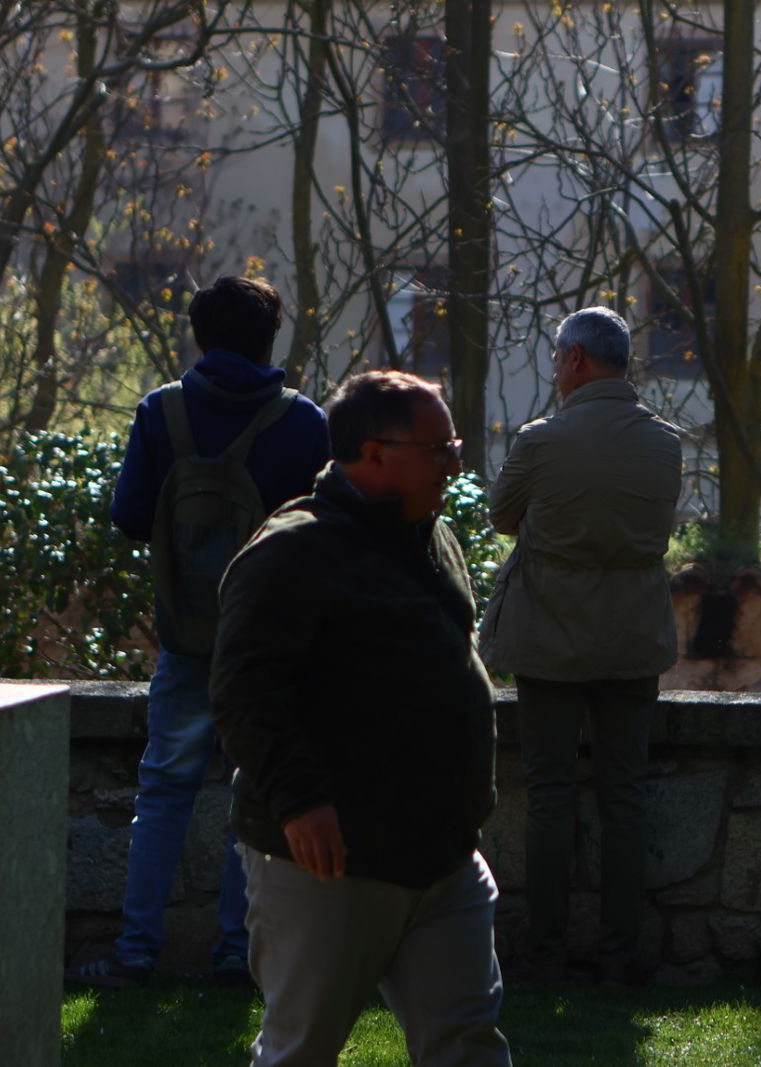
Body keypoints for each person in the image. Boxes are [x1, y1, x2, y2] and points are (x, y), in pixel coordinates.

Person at [211, 371, 511, 1066]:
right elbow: (242, 689)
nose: (455, 462)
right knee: (301, 1050)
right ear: (374, 454)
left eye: (454, 444)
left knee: (468, 1045)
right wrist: (301, 798)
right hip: (329, 863)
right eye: (440, 447)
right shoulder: (294, 549)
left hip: (443, 858)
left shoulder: (432, 537)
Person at [69, 276, 328, 989]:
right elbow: (327, 532)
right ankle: (238, 955)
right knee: (260, 791)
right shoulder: (304, 424)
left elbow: (129, 515)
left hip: (187, 639)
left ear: (200, 336)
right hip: (270, 645)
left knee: (163, 795)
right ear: (270, 338)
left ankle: (135, 951)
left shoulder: (163, 412)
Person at [479, 307, 682, 983]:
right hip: (633, 637)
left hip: (550, 637)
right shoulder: (665, 443)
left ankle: (545, 951)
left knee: (551, 793)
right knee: (625, 794)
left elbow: (501, 515)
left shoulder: (545, 440)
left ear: (573, 361)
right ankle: (622, 951)